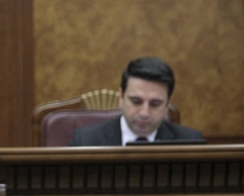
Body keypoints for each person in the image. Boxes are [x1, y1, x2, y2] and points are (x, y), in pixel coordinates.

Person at [68, 57, 204, 146]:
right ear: (121, 97)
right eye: (136, 101)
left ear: (167, 104)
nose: (144, 113)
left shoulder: (190, 142)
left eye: (155, 104)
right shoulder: (85, 141)